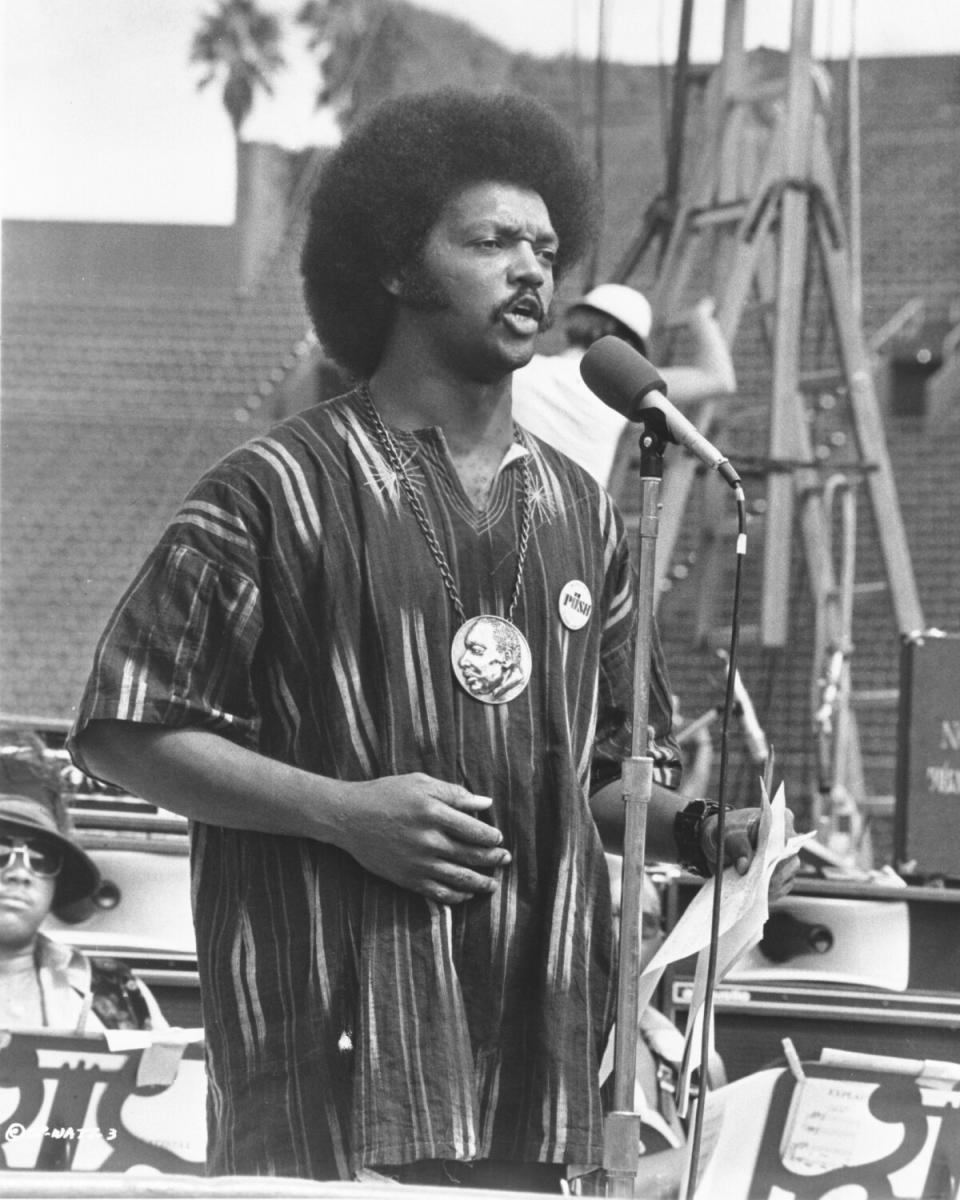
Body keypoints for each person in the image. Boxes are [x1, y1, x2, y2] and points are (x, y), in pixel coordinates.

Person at [69, 88, 793, 1189]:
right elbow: (122, 729)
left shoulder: (585, 512)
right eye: (492, 240)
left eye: (545, 248)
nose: (531, 272)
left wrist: (704, 830)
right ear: (398, 267)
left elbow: (599, 772)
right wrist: (341, 812)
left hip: (538, 1062)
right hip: (334, 1049)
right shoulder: (277, 488)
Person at [512, 286, 736, 488]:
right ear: (629, 346)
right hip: (582, 519)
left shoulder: (519, 371)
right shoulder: (627, 387)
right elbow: (719, 379)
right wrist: (701, 319)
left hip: (515, 512)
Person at [0, 792, 164, 1033]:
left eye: (41, 858)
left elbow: (172, 1068)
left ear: (55, 888)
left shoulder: (117, 988)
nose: (19, 873)